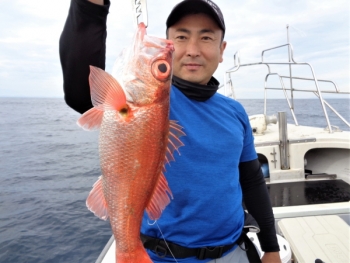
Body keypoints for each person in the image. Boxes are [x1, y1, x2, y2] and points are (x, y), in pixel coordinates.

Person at [59, 0, 282, 262]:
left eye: (206, 37)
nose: (192, 50)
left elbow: (252, 181)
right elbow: (79, 92)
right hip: (159, 256)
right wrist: (91, 6)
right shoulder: (149, 101)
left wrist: (271, 246)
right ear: (170, 45)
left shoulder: (235, 112)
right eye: (182, 37)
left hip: (233, 251)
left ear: (222, 50)